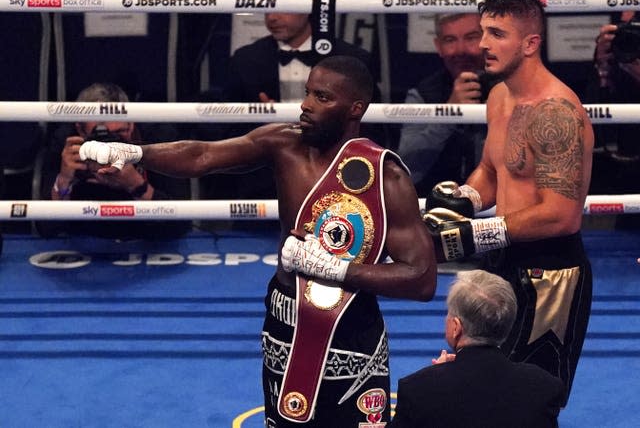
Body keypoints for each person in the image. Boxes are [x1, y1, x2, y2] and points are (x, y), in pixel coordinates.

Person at [78, 56, 438, 426]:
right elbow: (203, 154)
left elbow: (422, 280)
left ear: (355, 108)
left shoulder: (385, 177)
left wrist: (337, 269)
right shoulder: (283, 144)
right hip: (285, 319)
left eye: (323, 97)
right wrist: (137, 153)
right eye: (308, 93)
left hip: (352, 328)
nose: (307, 104)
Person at [423, 0, 594, 406]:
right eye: (483, 32)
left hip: (550, 273)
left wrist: (474, 234)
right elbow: (491, 168)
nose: (482, 44)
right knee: (481, 388)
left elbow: (561, 216)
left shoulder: (556, 113)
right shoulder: (499, 96)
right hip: (501, 260)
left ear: (530, 43)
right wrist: (466, 197)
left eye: (497, 33)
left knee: (532, 398)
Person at [194, 0, 390, 203]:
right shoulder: (246, 60)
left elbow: (374, 131)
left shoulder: (351, 59)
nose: (272, 18)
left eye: (282, 7)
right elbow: (228, 136)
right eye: (268, 7)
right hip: (266, 185)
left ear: (308, 3)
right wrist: (262, 122)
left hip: (340, 183)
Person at [389, 270, 564, 428]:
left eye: (449, 314)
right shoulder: (544, 387)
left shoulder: (418, 390)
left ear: (456, 327)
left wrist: (436, 376)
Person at [37, 82, 191, 240]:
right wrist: (63, 183)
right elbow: (46, 228)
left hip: (147, 237)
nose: (110, 146)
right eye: (100, 136)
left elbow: (181, 226)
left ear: (131, 125)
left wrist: (138, 186)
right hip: (86, 239)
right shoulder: (67, 144)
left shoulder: (158, 139)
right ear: (80, 130)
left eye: (119, 133)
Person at [397, 13, 499, 197]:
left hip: (498, 207)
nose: (461, 50)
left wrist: (498, 115)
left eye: (471, 37)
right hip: (435, 209)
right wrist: (449, 113)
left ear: (486, 40)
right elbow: (406, 169)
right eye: (450, 40)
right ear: (439, 46)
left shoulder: (512, 89)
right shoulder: (423, 94)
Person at [584, 9, 640, 228]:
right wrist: (602, 67)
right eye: (625, 26)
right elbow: (590, 128)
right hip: (627, 177)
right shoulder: (619, 61)